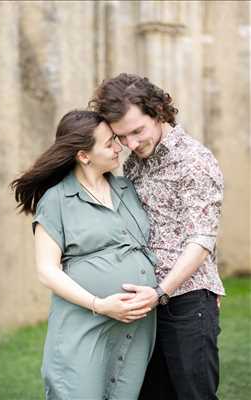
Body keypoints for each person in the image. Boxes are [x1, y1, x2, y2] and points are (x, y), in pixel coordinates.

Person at [89, 73, 225, 400]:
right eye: (122, 137)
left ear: (159, 112)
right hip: (144, 302)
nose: (132, 144)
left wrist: (161, 292)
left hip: (186, 300)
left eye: (138, 131)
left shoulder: (194, 160)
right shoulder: (134, 163)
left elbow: (202, 238)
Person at [10, 110, 158, 400]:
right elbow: (47, 271)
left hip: (136, 330)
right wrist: (100, 304)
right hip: (85, 325)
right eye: (109, 143)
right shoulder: (56, 200)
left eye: (116, 139)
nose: (119, 147)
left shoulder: (127, 188)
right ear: (84, 156)